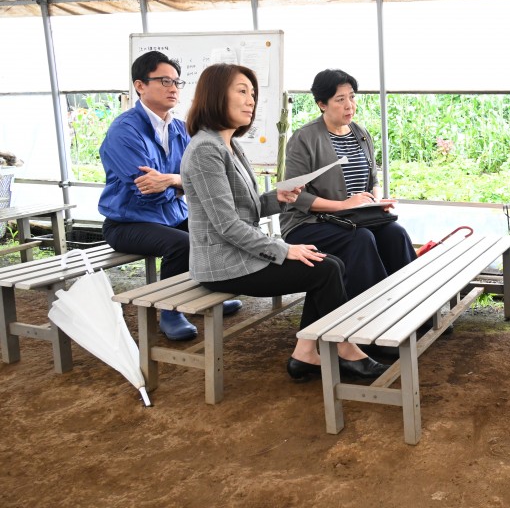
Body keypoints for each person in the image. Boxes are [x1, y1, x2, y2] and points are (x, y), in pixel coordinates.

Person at [179, 63, 387, 380]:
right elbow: (226, 225)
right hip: (222, 264)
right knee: (327, 268)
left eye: (252, 93)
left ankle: (305, 354)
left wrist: (281, 197)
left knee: (327, 265)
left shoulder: (229, 144)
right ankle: (342, 349)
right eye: (241, 91)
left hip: (238, 254)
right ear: (216, 95)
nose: (251, 101)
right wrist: (282, 249)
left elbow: (247, 208)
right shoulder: (206, 149)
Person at [98, 50, 241, 341]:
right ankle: (170, 311)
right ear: (140, 85)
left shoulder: (179, 128)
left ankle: (210, 289)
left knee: (217, 229)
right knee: (182, 244)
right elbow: (146, 190)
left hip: (170, 215)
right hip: (128, 223)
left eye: (177, 82)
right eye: (164, 81)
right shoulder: (124, 131)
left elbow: (203, 179)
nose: (173, 88)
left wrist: (172, 181)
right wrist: (180, 186)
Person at [280, 69, 416, 299]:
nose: (349, 106)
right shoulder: (304, 138)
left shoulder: (359, 132)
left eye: (352, 97)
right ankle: (372, 312)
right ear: (322, 104)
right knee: (362, 238)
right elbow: (294, 195)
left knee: (395, 233)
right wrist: (343, 205)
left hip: (353, 218)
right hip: (308, 223)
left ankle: (414, 303)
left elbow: (373, 178)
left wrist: (375, 200)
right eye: (340, 99)